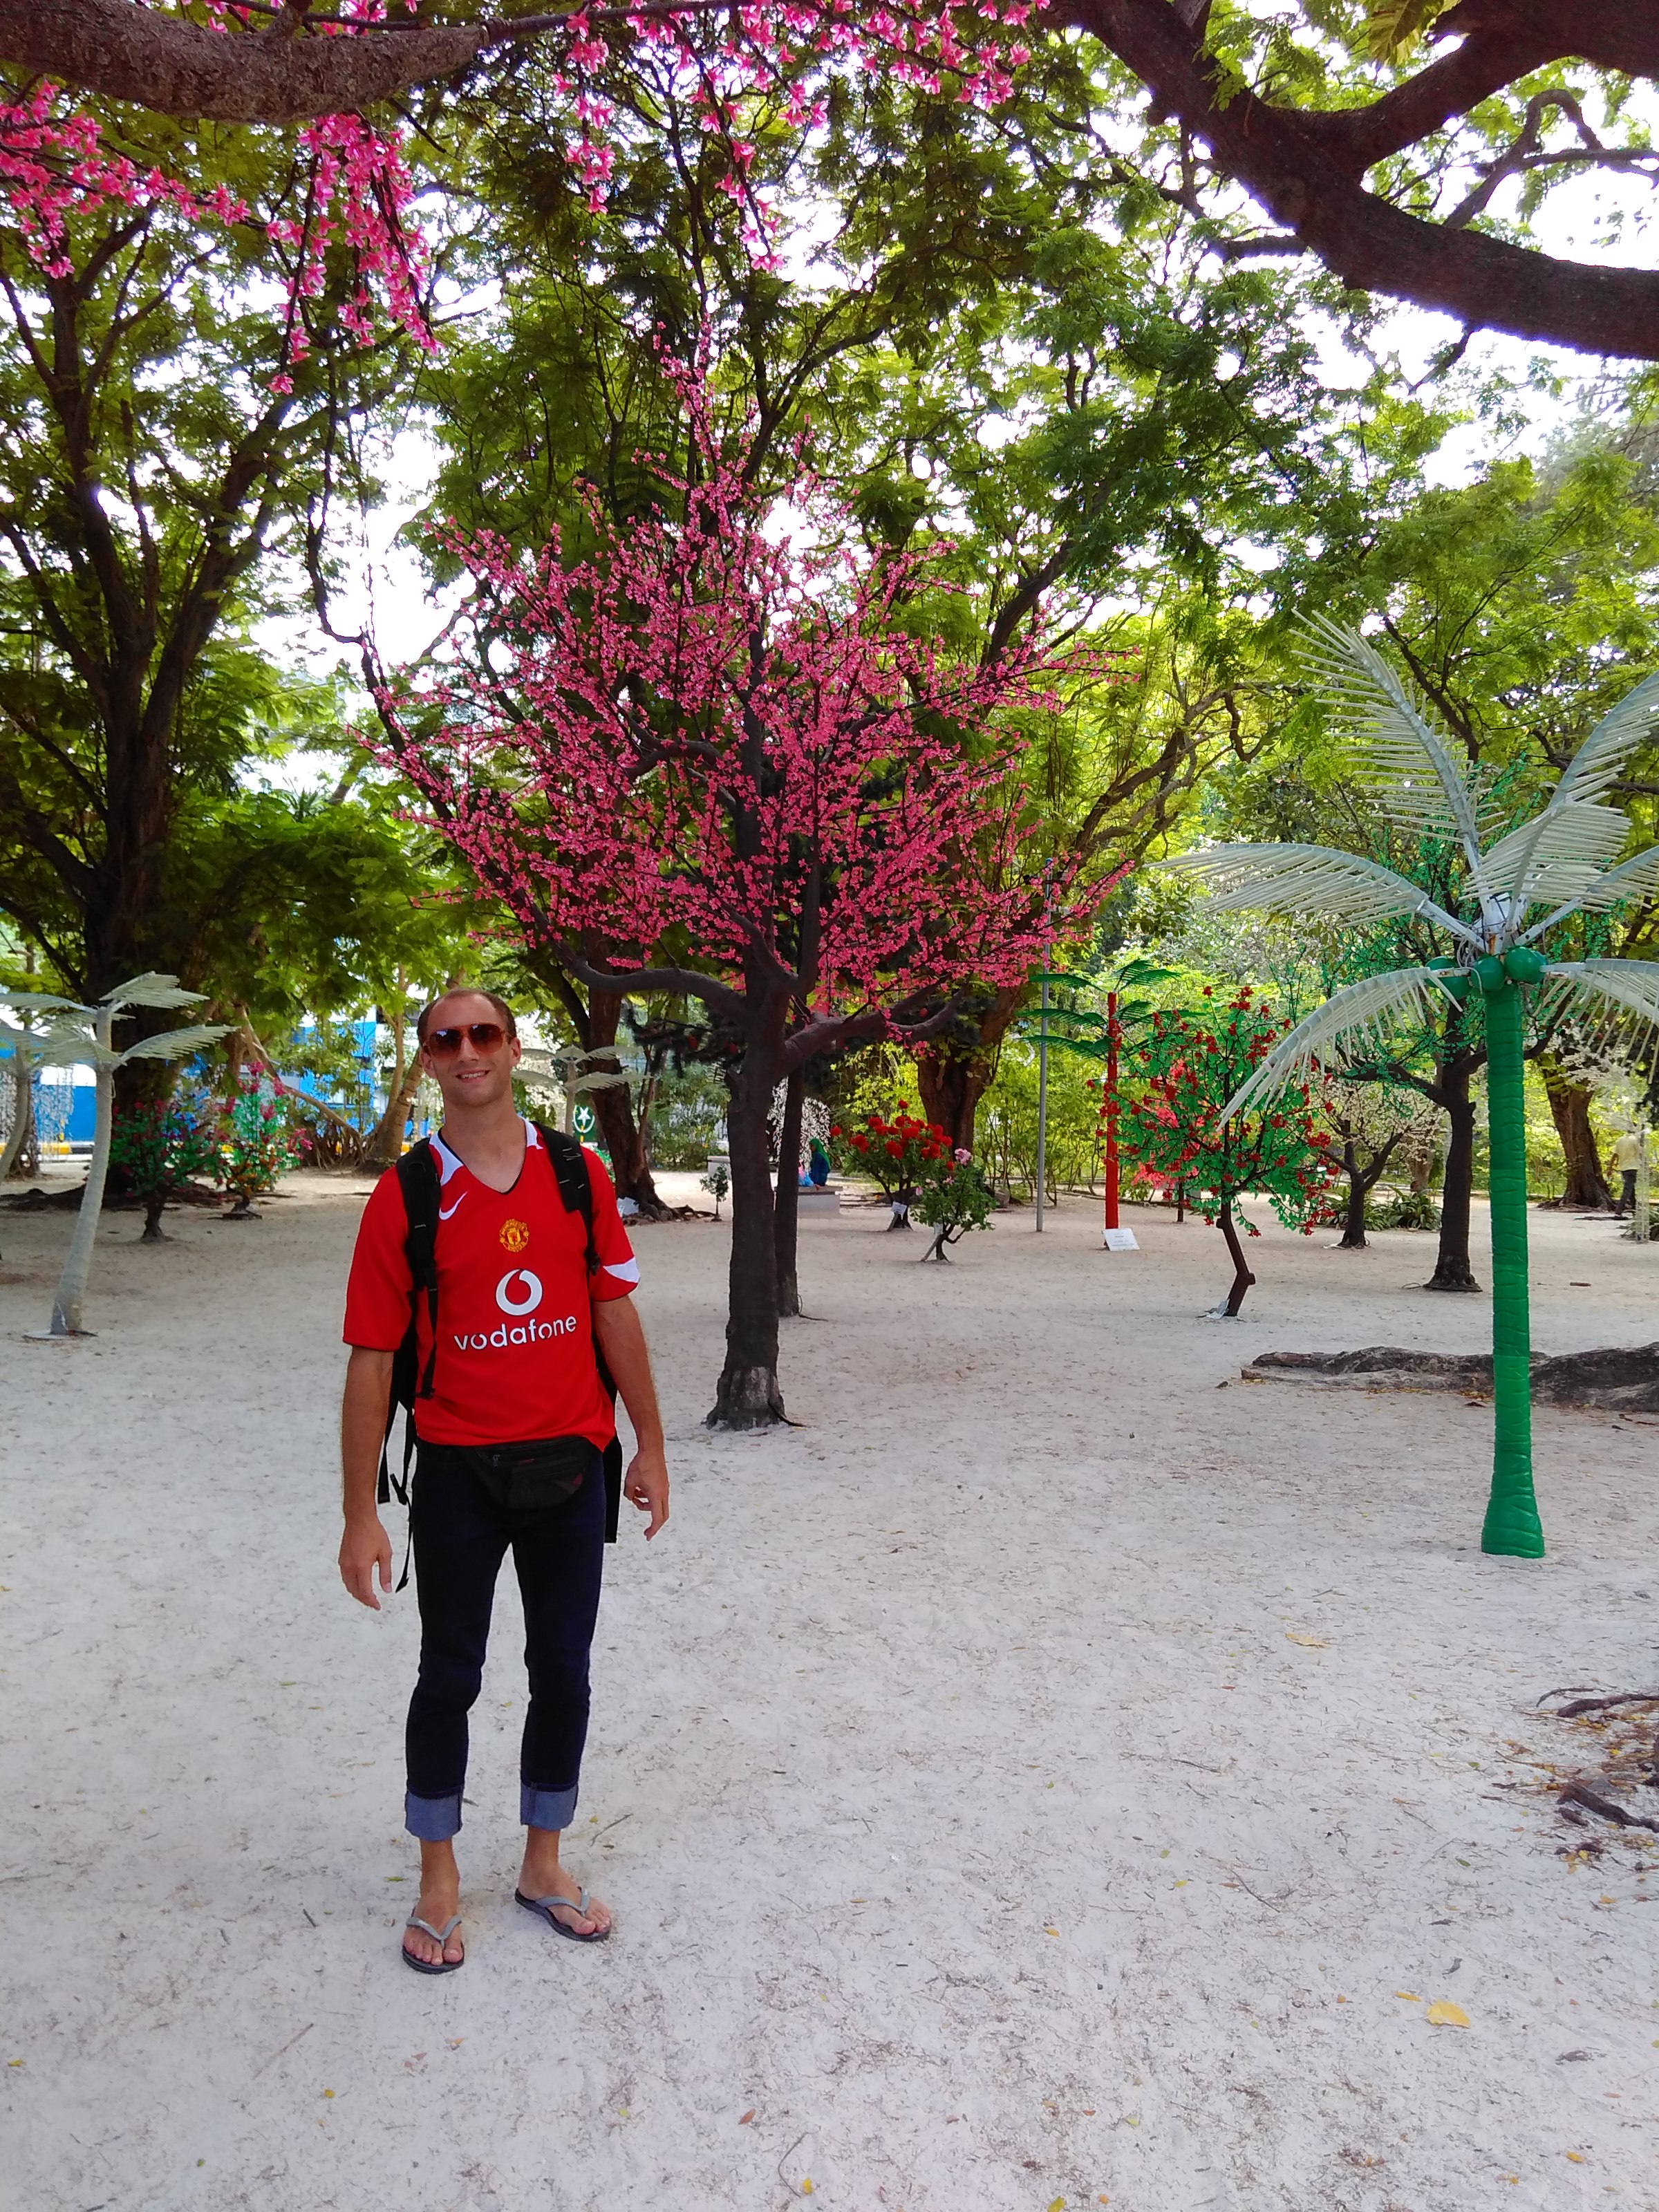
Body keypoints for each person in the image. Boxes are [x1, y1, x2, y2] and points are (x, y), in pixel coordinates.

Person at [337, 988, 670, 1973]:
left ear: (514, 1049)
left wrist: (650, 1443)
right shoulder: (405, 1193)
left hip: (572, 1463)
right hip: (457, 1472)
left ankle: (542, 1863)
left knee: (563, 1672)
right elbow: (372, 1360)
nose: (467, 1050)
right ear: (428, 1061)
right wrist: (359, 1514)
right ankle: (438, 1878)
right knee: (450, 1675)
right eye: (446, 1039)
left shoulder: (576, 1173)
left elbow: (612, 1309)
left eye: (484, 1033)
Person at [1612, 1126, 1647, 1217]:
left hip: (1623, 1168)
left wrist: (1610, 1168)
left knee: (1631, 1189)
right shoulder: (1635, 1140)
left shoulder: (1620, 1140)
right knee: (1627, 1190)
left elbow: (1615, 1154)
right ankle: (1618, 1211)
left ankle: (1634, 1210)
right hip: (1632, 1167)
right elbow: (1641, 1152)